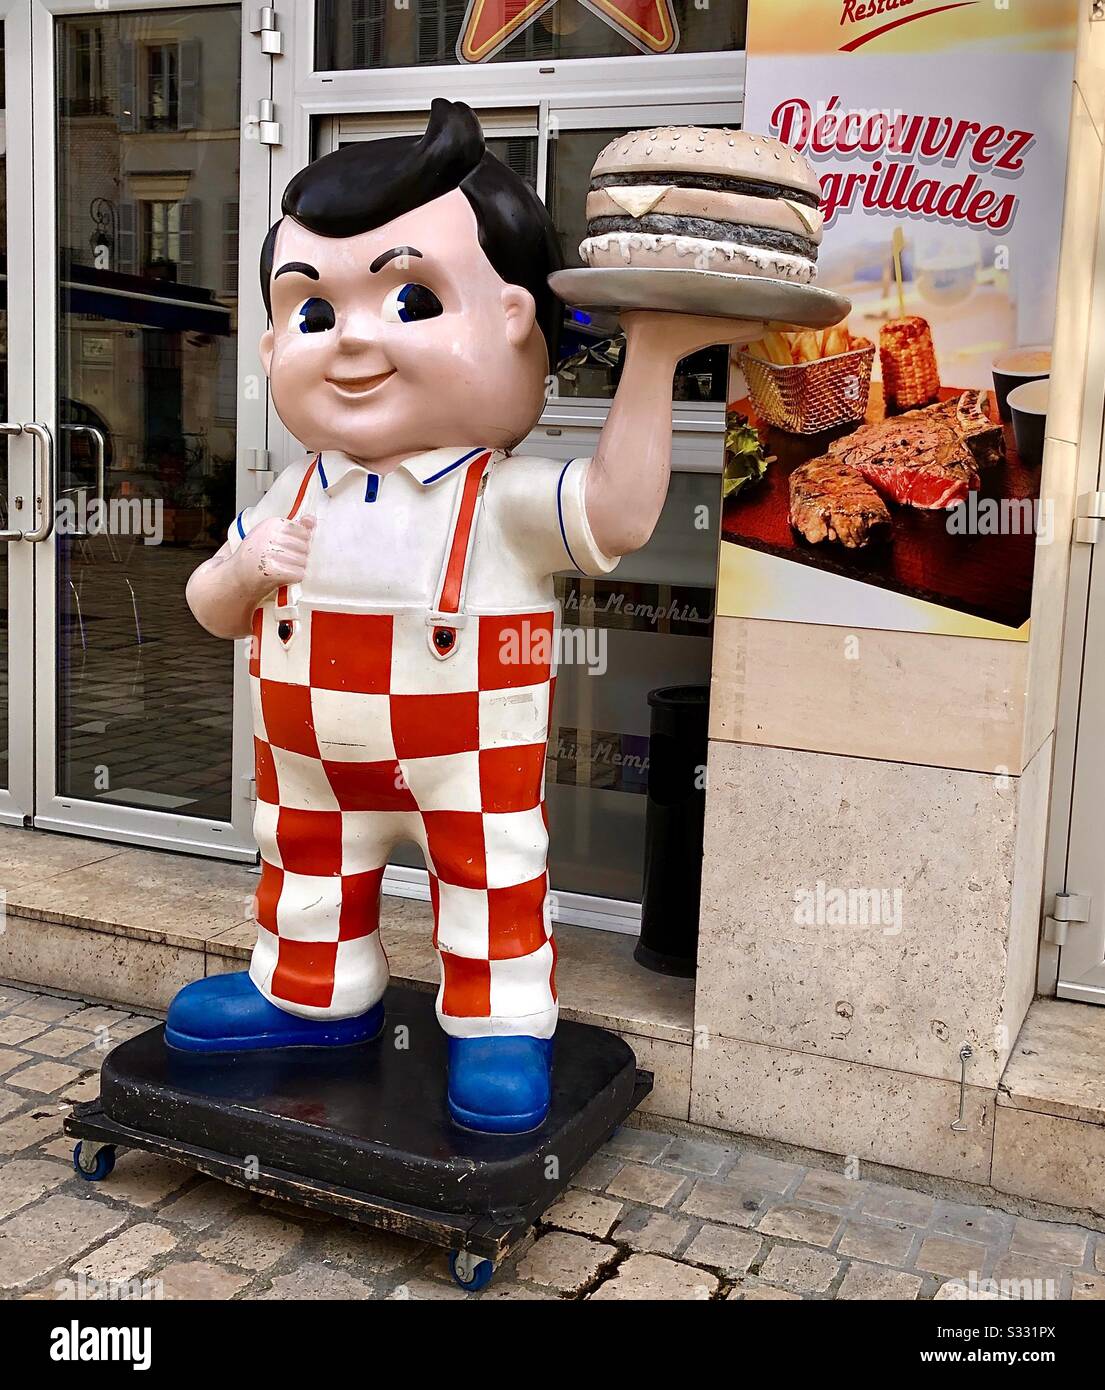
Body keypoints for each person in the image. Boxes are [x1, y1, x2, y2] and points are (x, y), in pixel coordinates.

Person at [166, 98, 744, 1133]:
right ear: (268, 344)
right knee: (303, 870)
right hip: (309, 775)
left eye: (413, 301)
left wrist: (652, 356)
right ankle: (309, 992)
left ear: (517, 320)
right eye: (311, 312)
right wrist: (247, 567)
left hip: (464, 772)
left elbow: (614, 508)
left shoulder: (507, 498)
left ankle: (498, 1018)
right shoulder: (290, 492)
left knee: (488, 880)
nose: (350, 344)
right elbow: (211, 609)